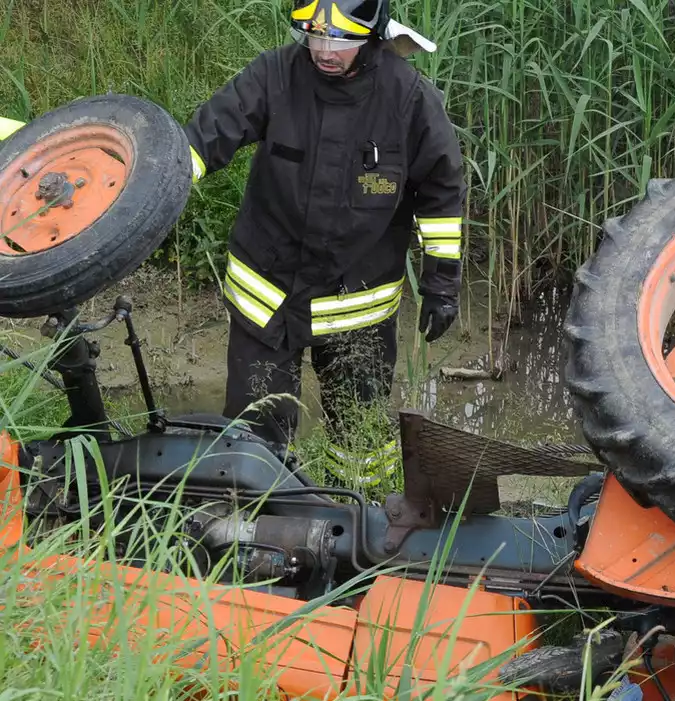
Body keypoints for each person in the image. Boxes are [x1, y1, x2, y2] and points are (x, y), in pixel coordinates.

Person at [183, 0, 466, 489]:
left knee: (361, 444)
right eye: (315, 36)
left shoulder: (409, 98)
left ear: (373, 35)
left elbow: (443, 193)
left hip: (356, 307)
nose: (325, 51)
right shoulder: (274, 75)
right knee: (253, 439)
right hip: (265, 299)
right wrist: (151, 190)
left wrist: (442, 285)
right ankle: (248, 530)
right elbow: (205, 137)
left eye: (341, 40)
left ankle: (360, 518)